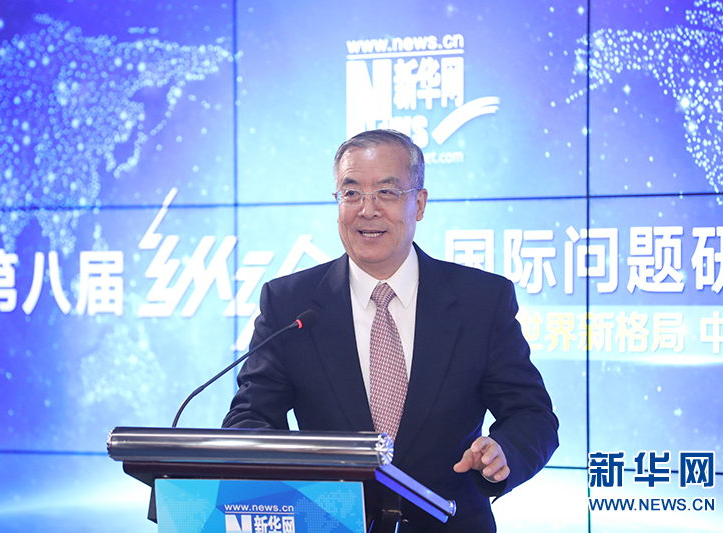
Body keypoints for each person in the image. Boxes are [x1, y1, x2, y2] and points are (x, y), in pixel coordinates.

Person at [223, 129, 558, 532]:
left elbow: (532, 415)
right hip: (328, 524)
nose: (367, 210)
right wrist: (275, 468)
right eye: (351, 193)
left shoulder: (481, 301)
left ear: (419, 203)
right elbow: (250, 417)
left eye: (386, 192)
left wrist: (503, 453)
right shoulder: (289, 303)